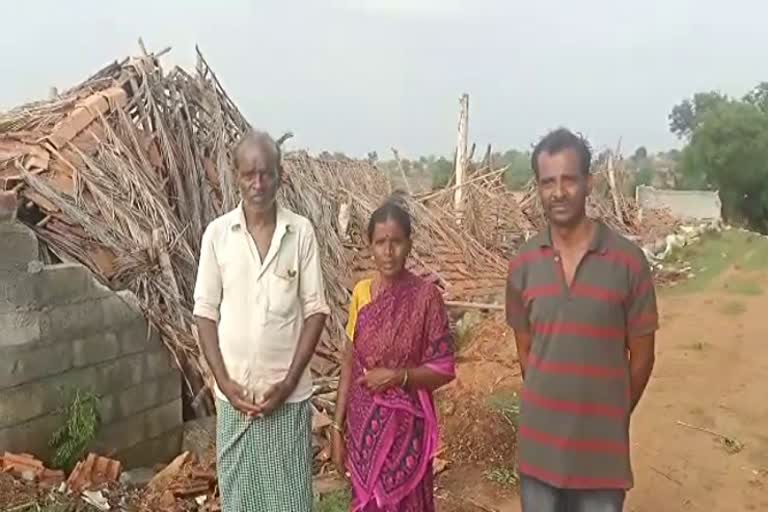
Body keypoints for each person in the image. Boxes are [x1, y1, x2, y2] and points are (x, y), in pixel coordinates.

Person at [506, 128, 659, 512]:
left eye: (568, 180)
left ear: (588, 184)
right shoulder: (523, 265)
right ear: (538, 189)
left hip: (601, 458)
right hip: (539, 451)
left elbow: (642, 357)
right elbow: (526, 351)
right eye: (548, 182)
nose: (558, 192)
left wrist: (611, 412)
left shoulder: (628, 262)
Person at [192, 130, 330, 511]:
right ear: (235, 176)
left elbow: (315, 310)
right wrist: (224, 382)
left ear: (280, 175)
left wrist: (286, 385)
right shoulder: (218, 235)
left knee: (290, 501)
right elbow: (204, 313)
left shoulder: (299, 232)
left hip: (286, 401)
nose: (258, 183)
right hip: (235, 400)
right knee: (240, 501)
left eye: (266, 173)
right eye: (249, 174)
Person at [331, 200, 456, 511]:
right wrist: (336, 428)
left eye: (396, 242)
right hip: (363, 431)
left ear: (409, 244)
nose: (388, 252)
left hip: (407, 432)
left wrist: (400, 377)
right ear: (370, 246)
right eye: (380, 242)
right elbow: (349, 364)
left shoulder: (426, 298)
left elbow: (444, 368)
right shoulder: (361, 293)